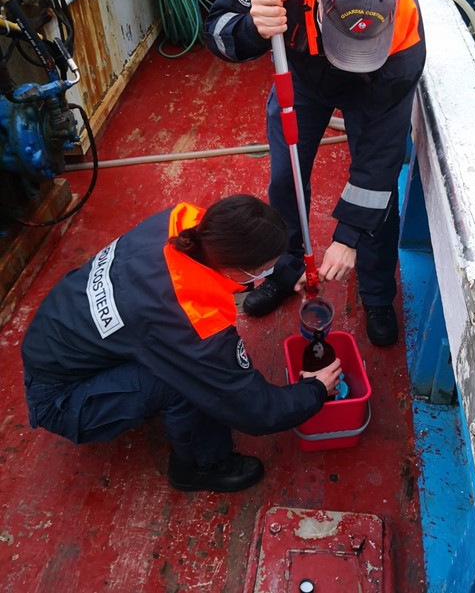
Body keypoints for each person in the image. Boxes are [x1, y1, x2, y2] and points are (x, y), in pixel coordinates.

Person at [21, 195, 341, 493]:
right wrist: (314, 390)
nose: (268, 271)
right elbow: (256, 410)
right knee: (192, 381)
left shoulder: (184, 225)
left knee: (180, 359)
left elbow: (235, 248)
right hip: (62, 397)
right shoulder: (190, 320)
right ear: (236, 269)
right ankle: (200, 466)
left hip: (61, 339)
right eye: (264, 268)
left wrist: (288, 272)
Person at [205, 0, 426, 347]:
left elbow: (378, 159)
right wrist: (251, 27)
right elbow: (216, 31)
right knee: (285, 177)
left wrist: (348, 237)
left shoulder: (404, 39)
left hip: (372, 86)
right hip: (302, 75)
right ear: (319, 1)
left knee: (379, 199)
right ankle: (284, 270)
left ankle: (377, 295)